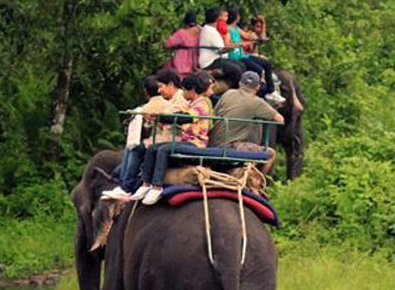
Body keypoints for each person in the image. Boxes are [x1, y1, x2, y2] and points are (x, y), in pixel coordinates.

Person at [104, 70, 188, 200]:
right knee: (132, 146)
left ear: (171, 85)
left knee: (138, 148)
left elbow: (173, 119)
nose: (159, 91)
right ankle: (123, 184)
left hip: (175, 137)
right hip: (167, 134)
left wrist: (155, 117)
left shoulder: (180, 99)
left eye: (161, 86)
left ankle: (127, 187)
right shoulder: (171, 99)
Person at [138, 71, 216, 205]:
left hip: (196, 143)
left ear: (192, 90)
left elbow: (186, 118)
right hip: (186, 141)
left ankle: (157, 186)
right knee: (152, 148)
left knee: (164, 150)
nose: (183, 93)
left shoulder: (201, 104)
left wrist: (162, 117)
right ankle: (146, 183)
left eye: (184, 90)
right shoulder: (192, 103)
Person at [209, 71, 284, 173]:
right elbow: (280, 119)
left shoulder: (228, 94)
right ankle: (259, 183)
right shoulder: (257, 102)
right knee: (271, 154)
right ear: (257, 87)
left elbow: (215, 113)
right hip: (232, 146)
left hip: (213, 143)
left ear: (240, 83)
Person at [226, 9, 285, 105]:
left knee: (266, 64)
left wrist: (257, 36)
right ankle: (258, 93)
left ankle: (270, 91)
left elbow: (250, 37)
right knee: (258, 70)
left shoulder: (236, 28)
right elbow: (229, 43)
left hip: (243, 55)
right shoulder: (227, 29)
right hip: (237, 57)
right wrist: (244, 43)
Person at [198, 8, 244, 89]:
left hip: (215, 58)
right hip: (210, 61)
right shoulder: (210, 31)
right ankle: (234, 90)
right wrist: (234, 46)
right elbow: (221, 49)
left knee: (241, 65)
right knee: (237, 70)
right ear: (217, 19)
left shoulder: (210, 29)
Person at [165, 12, 200, 78]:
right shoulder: (200, 33)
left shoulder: (181, 33)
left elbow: (168, 44)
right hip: (194, 62)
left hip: (181, 62)